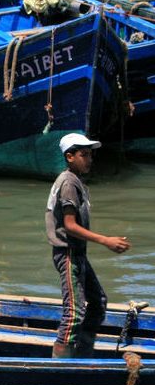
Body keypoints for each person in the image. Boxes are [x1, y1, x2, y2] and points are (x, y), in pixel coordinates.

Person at [45, 133, 131, 358]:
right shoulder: (68, 183)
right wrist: (105, 240)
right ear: (70, 157)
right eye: (84, 155)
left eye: (90, 155)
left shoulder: (75, 181)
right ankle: (60, 369)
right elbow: (70, 225)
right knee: (74, 313)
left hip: (78, 254)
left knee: (98, 301)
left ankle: (82, 354)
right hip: (68, 254)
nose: (89, 159)